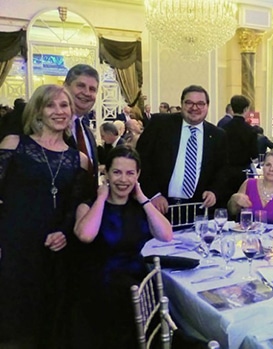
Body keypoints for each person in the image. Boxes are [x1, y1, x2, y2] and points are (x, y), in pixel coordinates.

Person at [0, 84, 89, 348]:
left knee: (49, 325)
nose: (59, 111)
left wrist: (64, 231)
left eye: (64, 106)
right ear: (38, 110)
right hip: (15, 247)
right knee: (13, 326)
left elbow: (76, 206)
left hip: (54, 251)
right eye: (51, 105)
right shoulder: (14, 145)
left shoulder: (79, 159)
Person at [73, 145, 173, 348]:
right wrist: (101, 197)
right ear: (106, 173)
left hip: (136, 287)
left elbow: (166, 235)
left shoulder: (140, 206)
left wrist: (143, 198)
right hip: (100, 291)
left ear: (138, 175)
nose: (123, 179)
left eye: (130, 173)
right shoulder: (89, 204)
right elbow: (85, 235)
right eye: (117, 172)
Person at [136, 85, 229, 213]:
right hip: (158, 207)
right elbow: (140, 160)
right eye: (189, 103)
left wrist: (214, 191)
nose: (194, 108)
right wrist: (154, 194)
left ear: (207, 106)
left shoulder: (218, 135)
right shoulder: (160, 124)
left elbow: (222, 170)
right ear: (181, 104)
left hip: (197, 209)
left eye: (200, 103)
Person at [228, 148, 273, 225]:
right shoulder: (248, 183)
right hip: (247, 235)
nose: (271, 169)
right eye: (268, 165)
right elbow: (233, 212)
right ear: (263, 166)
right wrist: (234, 199)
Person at [64, 64, 100, 188]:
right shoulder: (48, 128)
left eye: (92, 89)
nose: (86, 93)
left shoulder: (88, 133)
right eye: (80, 86)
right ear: (65, 87)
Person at [223, 95, 258, 194]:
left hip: (227, 172)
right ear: (246, 109)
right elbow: (254, 154)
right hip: (243, 172)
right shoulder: (250, 131)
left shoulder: (224, 129)